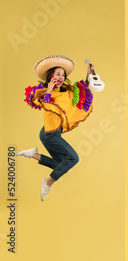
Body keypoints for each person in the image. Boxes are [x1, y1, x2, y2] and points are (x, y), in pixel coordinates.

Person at [17, 55, 96, 201]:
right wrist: (49, 89)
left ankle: (33, 154)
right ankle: (48, 183)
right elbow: (36, 100)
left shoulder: (66, 91)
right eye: (58, 74)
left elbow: (85, 86)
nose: (61, 77)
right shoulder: (46, 92)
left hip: (51, 132)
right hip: (49, 134)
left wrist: (90, 71)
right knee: (73, 159)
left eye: (63, 75)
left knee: (63, 164)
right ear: (51, 76)